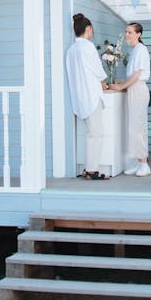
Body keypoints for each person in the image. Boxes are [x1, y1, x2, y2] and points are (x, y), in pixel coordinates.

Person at [64, 13, 109, 180]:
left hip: (79, 97)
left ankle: (89, 169)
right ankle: (91, 170)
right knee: (96, 134)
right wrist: (104, 82)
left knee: (91, 133)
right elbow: (98, 70)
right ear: (88, 29)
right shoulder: (88, 47)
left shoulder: (71, 50)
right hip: (91, 95)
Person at [110, 22, 151, 176]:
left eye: (130, 32)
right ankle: (137, 162)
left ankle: (144, 164)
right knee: (134, 127)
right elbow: (132, 75)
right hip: (134, 89)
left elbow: (138, 75)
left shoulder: (141, 50)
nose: (127, 34)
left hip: (138, 91)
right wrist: (123, 83)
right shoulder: (135, 51)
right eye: (126, 32)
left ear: (138, 34)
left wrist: (121, 87)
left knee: (137, 128)